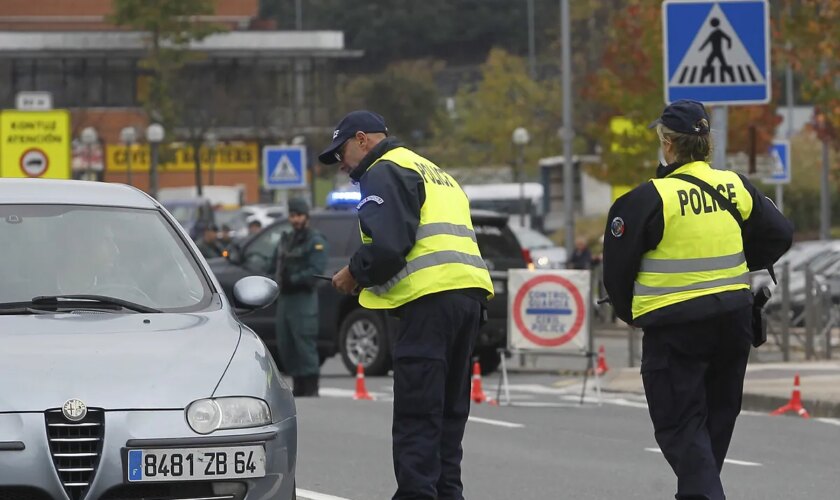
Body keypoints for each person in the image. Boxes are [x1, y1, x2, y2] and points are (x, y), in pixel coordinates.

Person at [602, 100, 793, 500]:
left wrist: (630, 313)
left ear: (669, 145)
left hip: (676, 331)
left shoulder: (649, 199)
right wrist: (745, 259)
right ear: (706, 144)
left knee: (681, 427)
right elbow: (779, 234)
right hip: (733, 321)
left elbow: (617, 272)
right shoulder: (735, 185)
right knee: (713, 425)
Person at [321, 110, 494, 500]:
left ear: (363, 139)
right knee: (449, 419)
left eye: (341, 152)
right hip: (467, 299)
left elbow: (387, 247)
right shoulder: (433, 170)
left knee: (418, 416)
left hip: (429, 303)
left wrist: (353, 273)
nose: (341, 164)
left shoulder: (384, 169)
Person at [272, 197, 328, 397]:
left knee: (304, 343)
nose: (295, 220)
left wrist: (294, 279)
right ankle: (298, 384)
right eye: (292, 215)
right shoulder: (286, 239)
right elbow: (274, 265)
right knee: (287, 344)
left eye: (299, 215)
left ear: (306, 216)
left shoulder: (315, 240)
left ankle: (310, 387)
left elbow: (316, 271)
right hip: (286, 300)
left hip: (303, 299)